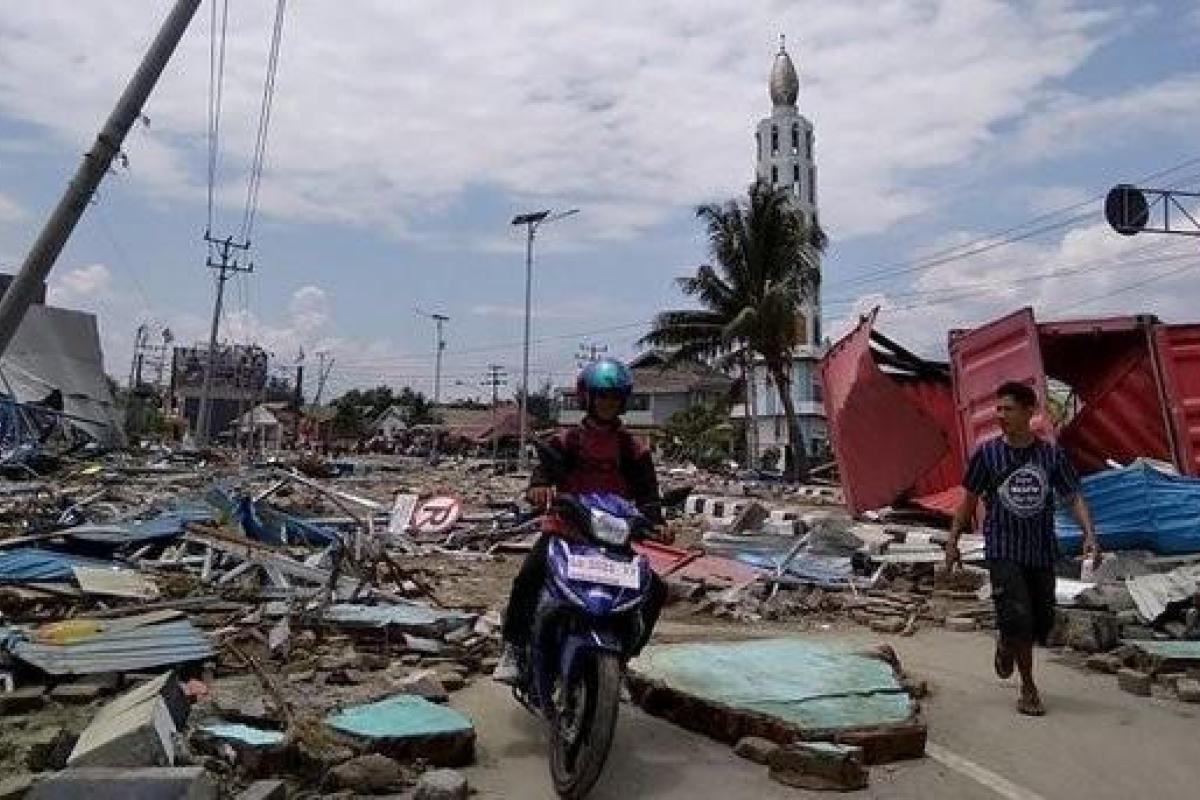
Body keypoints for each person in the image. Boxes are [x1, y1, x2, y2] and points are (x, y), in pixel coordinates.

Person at [493, 358, 672, 685]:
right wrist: (538, 487)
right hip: (567, 530)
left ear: (623, 401)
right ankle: (514, 648)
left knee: (655, 590)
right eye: (601, 396)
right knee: (529, 576)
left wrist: (657, 522)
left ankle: (623, 658)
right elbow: (544, 470)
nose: (607, 403)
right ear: (586, 398)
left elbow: (648, 494)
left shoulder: (633, 449)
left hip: (613, 538)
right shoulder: (567, 440)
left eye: (614, 397)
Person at [946, 381, 1101, 716]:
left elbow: (1072, 496)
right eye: (997, 409)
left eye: (1008, 409)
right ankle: (1029, 688)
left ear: (1030, 412)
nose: (1000, 415)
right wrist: (952, 540)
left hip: (1041, 550)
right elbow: (969, 501)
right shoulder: (987, 455)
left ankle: (1007, 640)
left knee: (1042, 621)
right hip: (1003, 548)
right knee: (1019, 616)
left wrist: (1089, 533)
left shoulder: (1051, 455)